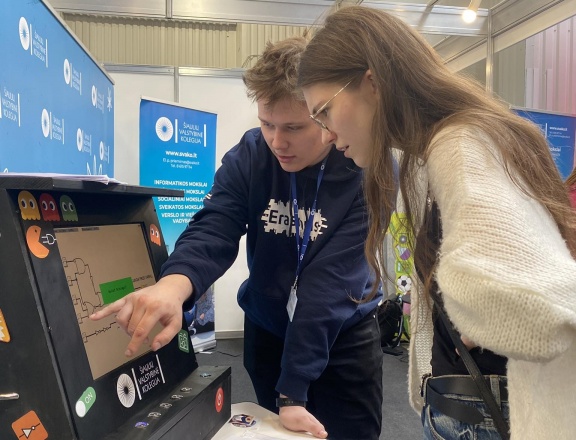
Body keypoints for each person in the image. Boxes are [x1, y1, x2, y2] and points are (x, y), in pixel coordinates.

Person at [297, 6, 576, 440]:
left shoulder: (459, 144)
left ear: (373, 83)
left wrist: (477, 310)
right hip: (471, 402)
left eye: (325, 112)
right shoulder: (437, 147)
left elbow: (535, 315)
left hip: (485, 414)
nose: (325, 134)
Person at [91, 36, 385, 440]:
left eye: (294, 127)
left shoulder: (362, 164)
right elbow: (216, 225)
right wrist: (173, 286)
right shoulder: (251, 154)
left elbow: (329, 287)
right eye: (267, 123)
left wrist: (292, 391)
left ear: (324, 116)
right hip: (269, 329)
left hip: (343, 335)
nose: (277, 141)